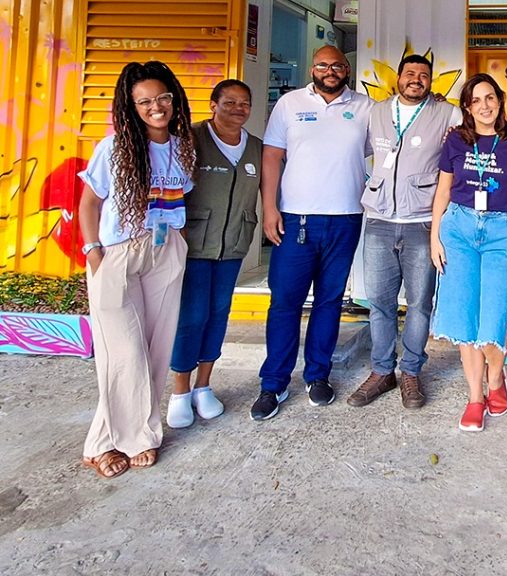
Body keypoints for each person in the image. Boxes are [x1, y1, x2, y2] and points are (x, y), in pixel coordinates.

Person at [77, 61, 195, 477]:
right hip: (118, 253)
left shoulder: (183, 147)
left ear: (174, 99)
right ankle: (113, 443)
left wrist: (177, 246)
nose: (155, 107)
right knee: (122, 352)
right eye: (144, 101)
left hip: (166, 250)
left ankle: (128, 437)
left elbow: (181, 197)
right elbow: (88, 203)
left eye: (162, 97)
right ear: (131, 107)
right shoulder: (114, 148)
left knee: (155, 350)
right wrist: (94, 252)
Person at [250, 46, 372, 421]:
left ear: (347, 69)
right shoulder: (289, 104)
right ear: (311, 68)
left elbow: (387, 146)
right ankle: (273, 383)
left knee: (329, 302)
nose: (329, 71)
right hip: (295, 219)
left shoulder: (365, 107)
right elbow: (272, 157)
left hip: (345, 219)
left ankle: (318, 375)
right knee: (285, 303)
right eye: (322, 65)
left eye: (337, 66)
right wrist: (270, 208)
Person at [430, 74, 507, 431]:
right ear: (467, 107)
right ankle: (475, 397)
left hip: (503, 233)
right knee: (464, 319)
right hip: (459, 230)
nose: (484, 106)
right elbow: (443, 191)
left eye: (490, 97)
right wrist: (435, 238)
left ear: (500, 100)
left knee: (493, 317)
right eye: (476, 100)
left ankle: (496, 380)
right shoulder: (456, 140)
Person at [350, 54, 461, 410]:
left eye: (423, 75)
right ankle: (382, 371)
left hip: (422, 222)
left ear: (431, 82)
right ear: (398, 78)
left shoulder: (447, 113)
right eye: (410, 73)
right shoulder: (376, 111)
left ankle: (411, 371)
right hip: (379, 221)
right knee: (379, 303)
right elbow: (353, 146)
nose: (416, 79)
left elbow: (474, 134)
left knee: (419, 304)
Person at [167, 79, 262, 429]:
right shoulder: (190, 139)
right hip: (193, 245)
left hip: (233, 245)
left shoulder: (255, 147)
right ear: (213, 105)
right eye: (230, 102)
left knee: (219, 314)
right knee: (191, 316)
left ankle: (203, 386)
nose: (238, 109)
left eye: (244, 103)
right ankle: (180, 391)